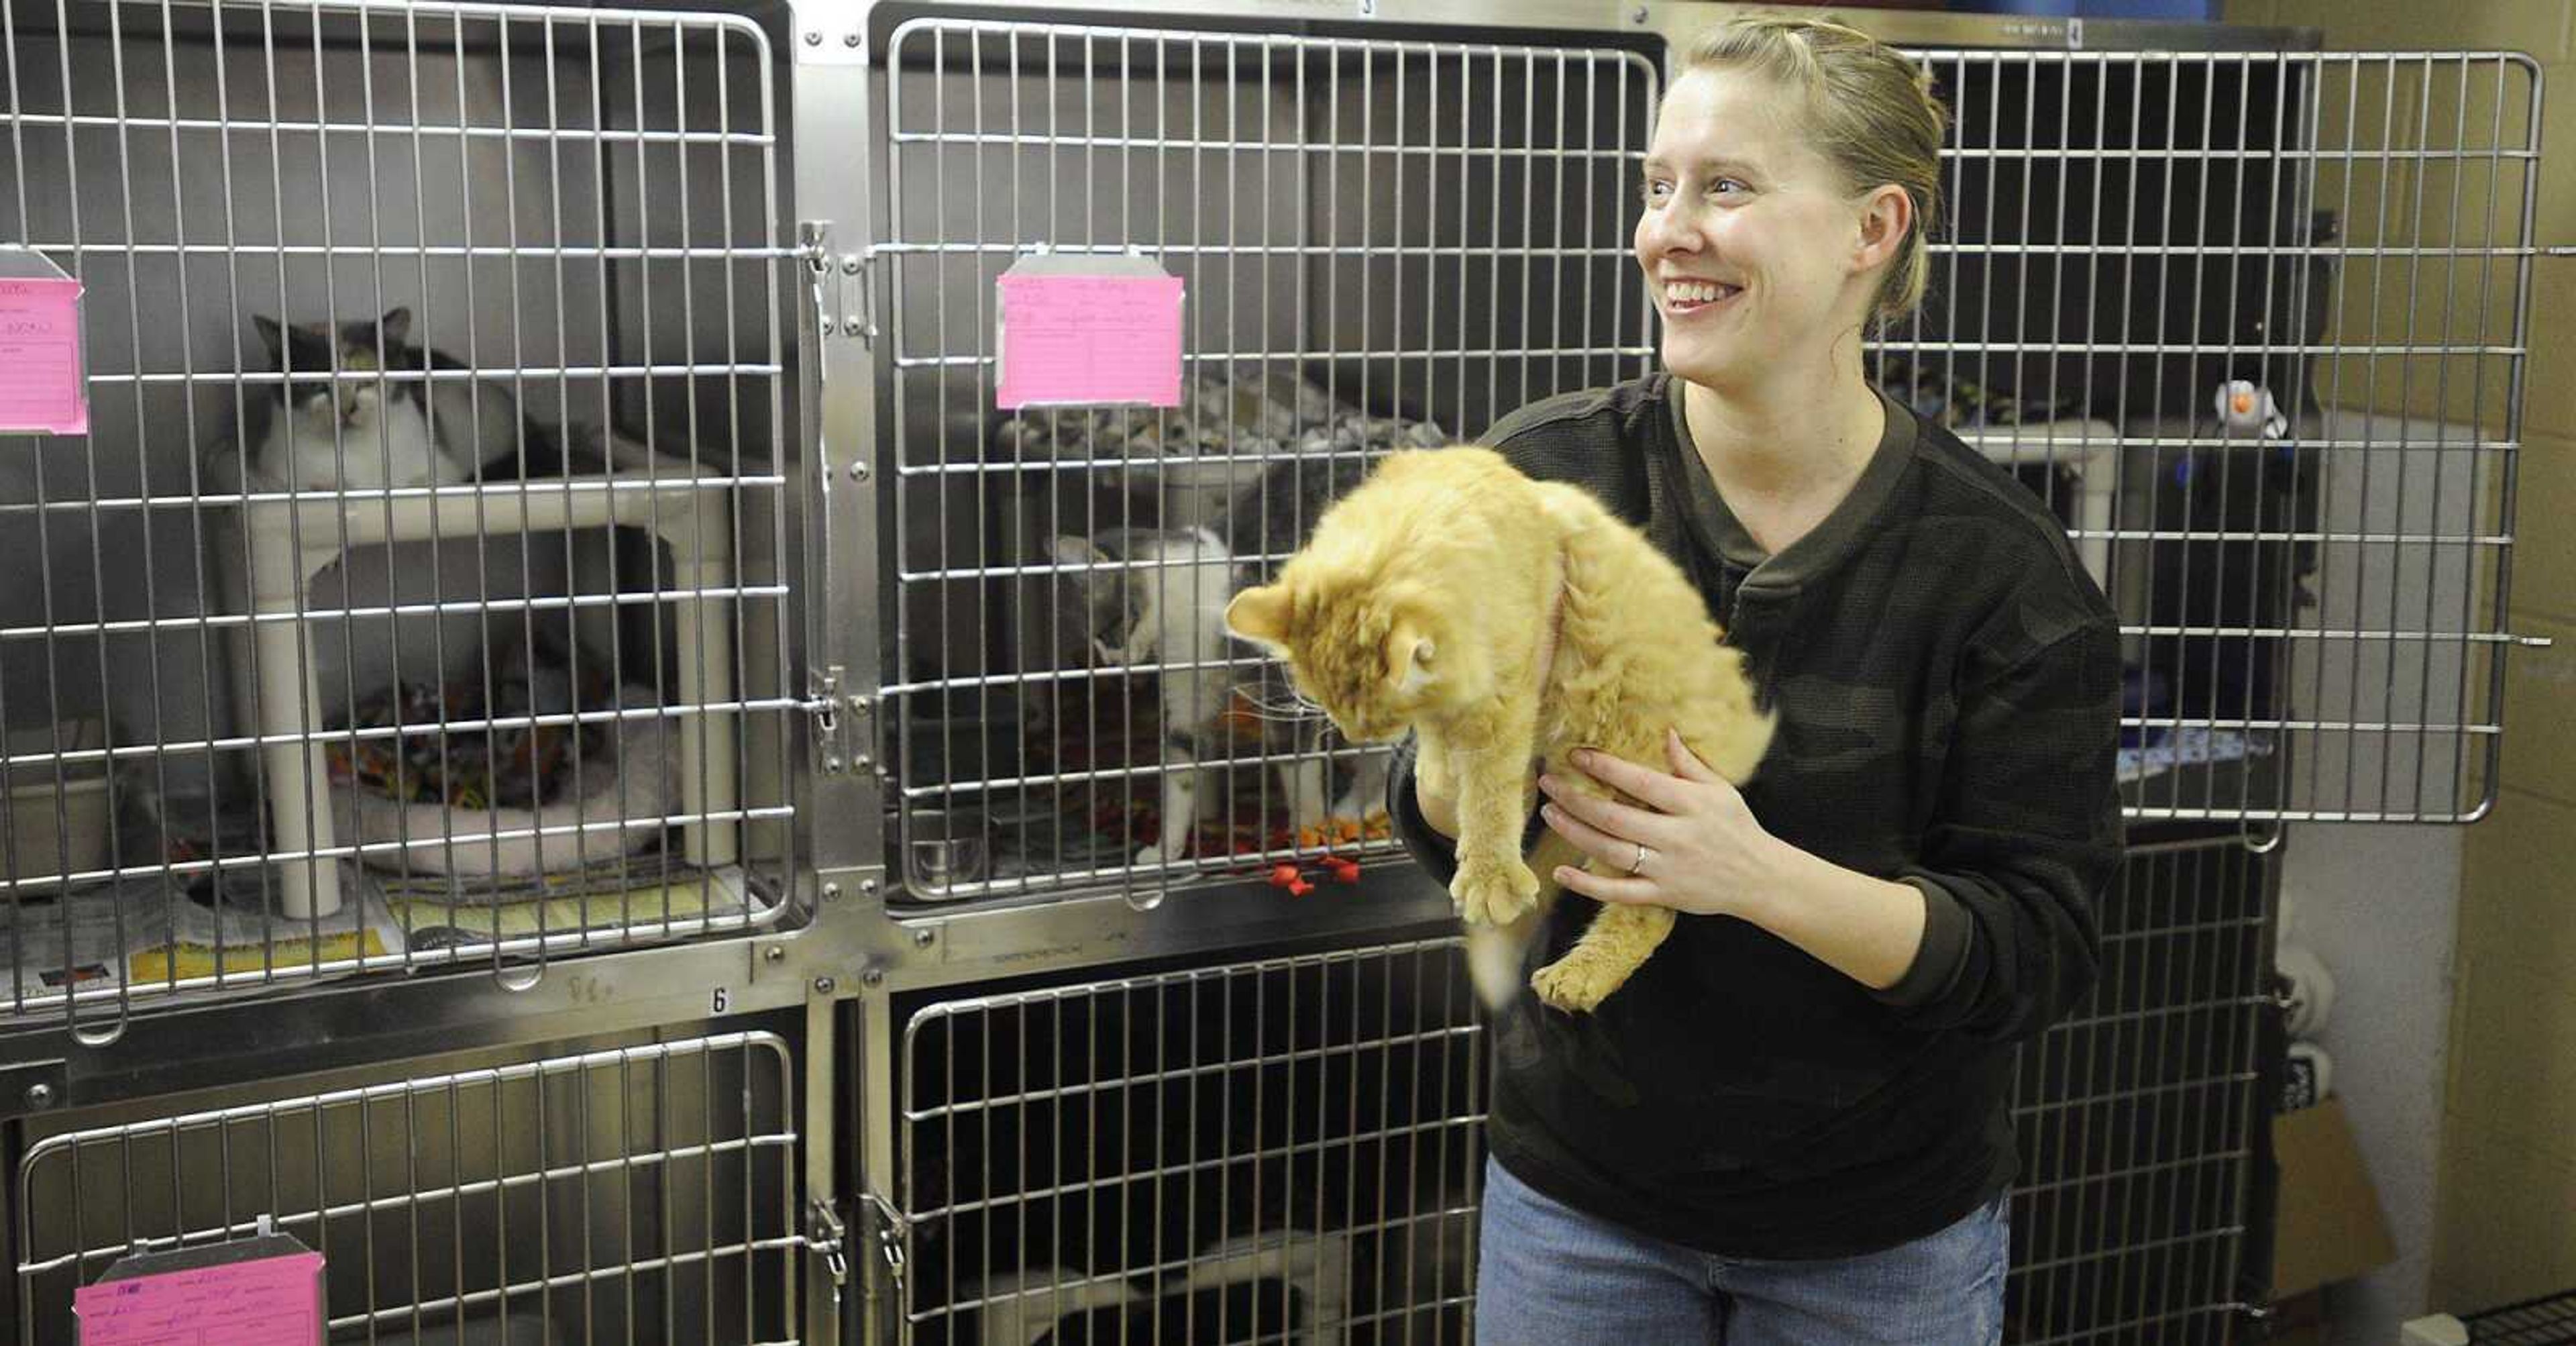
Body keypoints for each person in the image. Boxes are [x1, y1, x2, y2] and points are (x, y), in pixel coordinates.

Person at [1387, 15, 2125, 1344]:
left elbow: (2036, 952)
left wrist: (1751, 875)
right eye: (1658, 186)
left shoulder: (1998, 571)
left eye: (1726, 187)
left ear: (1872, 228)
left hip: (1878, 1240)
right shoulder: (1547, 480)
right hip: (1580, 1210)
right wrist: (1465, 739)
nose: (1668, 230)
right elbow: (1429, 812)